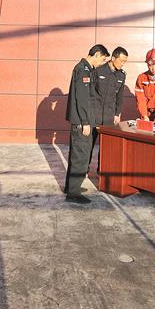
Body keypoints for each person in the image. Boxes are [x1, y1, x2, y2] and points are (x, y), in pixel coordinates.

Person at [63, 44, 110, 204]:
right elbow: (83, 99)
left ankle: (70, 187)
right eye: (102, 60)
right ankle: (73, 194)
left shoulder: (85, 69)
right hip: (82, 122)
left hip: (79, 121)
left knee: (76, 155)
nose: (102, 63)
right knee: (81, 157)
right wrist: (86, 122)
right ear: (97, 54)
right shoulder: (84, 70)